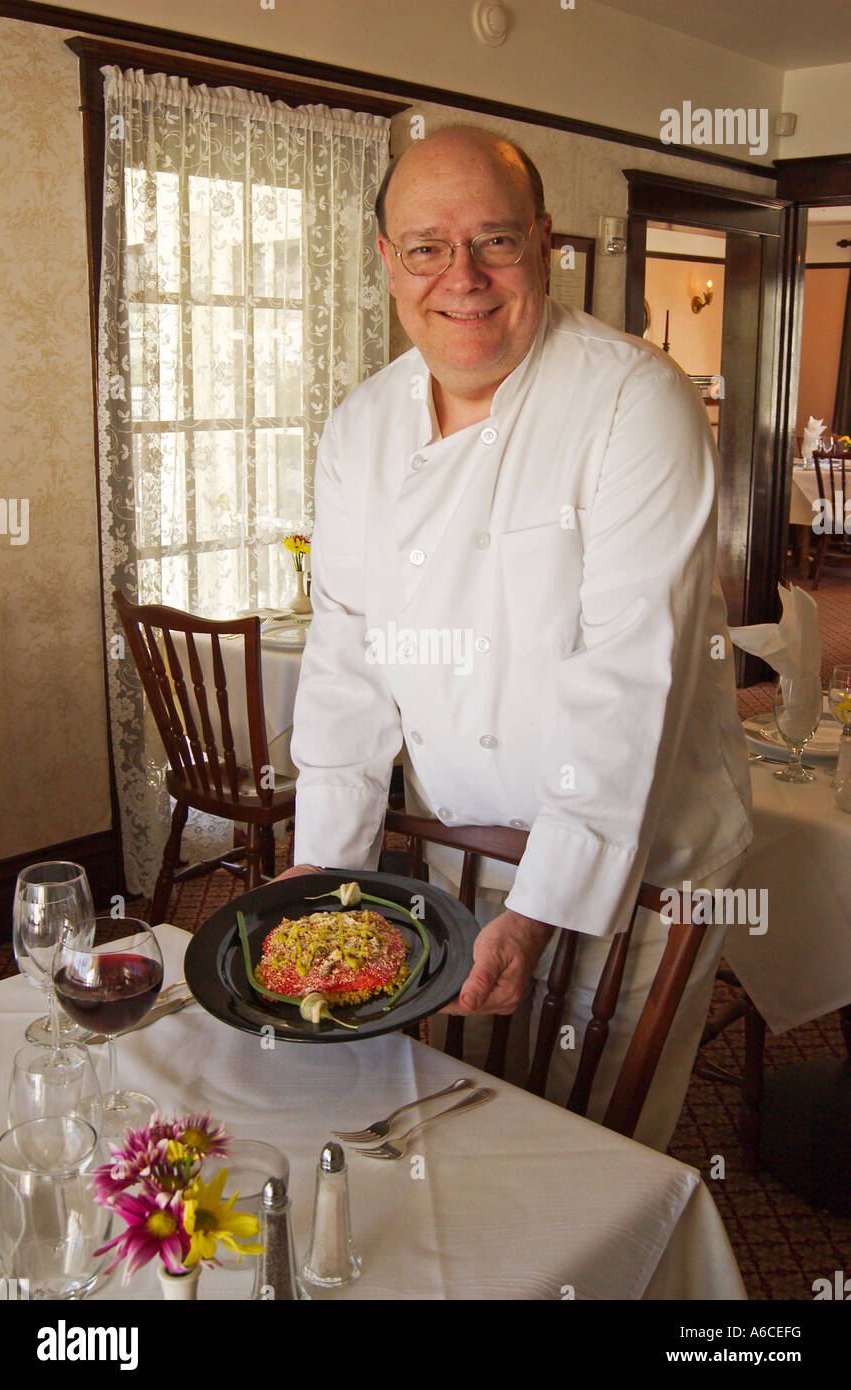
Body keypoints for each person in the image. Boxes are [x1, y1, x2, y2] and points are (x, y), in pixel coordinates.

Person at [281, 125, 752, 1149]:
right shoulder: (359, 428)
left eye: (494, 242)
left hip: (631, 866)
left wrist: (542, 909)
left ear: (545, 246)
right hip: (457, 857)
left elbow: (631, 673)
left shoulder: (635, 400)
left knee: (584, 1169)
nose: (463, 278)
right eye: (426, 248)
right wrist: (324, 873)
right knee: (446, 1144)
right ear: (386, 264)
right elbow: (348, 662)